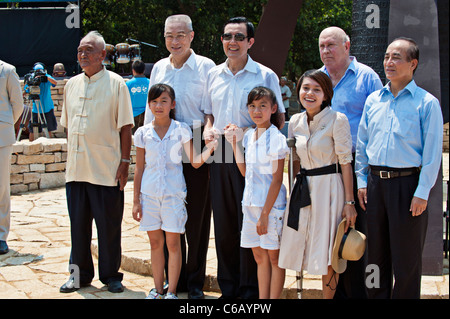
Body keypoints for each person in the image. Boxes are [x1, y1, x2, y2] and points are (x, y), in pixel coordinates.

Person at [202, 16, 286, 299]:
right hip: (221, 152)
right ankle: (229, 287)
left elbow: (279, 119)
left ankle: (251, 290)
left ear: (250, 42)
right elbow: (208, 113)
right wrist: (209, 129)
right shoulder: (213, 74)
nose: (232, 42)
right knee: (225, 224)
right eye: (227, 37)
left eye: (239, 37)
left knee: (248, 221)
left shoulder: (265, 75)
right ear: (222, 41)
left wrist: (247, 134)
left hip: (253, 155)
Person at [355, 37, 443, 299]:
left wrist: (423, 191)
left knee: (406, 261)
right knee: (374, 257)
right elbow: (363, 144)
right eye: (386, 57)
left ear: (412, 64)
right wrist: (361, 181)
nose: (388, 62)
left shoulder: (426, 103)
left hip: (407, 187)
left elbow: (432, 153)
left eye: (396, 57)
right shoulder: (373, 100)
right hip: (374, 185)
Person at [143, 14, 216, 299]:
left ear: (192, 36)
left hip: (197, 138)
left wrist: (209, 133)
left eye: (180, 35)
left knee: (196, 214)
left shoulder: (206, 66)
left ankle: (194, 281)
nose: (175, 41)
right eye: (169, 36)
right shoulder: (159, 67)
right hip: (164, 138)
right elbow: (152, 109)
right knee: (165, 212)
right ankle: (173, 282)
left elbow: (210, 108)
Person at [59, 31, 134, 294]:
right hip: (77, 170)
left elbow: (126, 127)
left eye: (89, 50)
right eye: (80, 50)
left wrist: (125, 162)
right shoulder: (71, 84)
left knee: (109, 226)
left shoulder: (116, 84)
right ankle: (78, 275)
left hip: (106, 169)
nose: (83, 54)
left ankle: (112, 275)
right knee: (78, 228)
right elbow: (68, 127)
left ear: (103, 55)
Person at [133, 83, 217, 299]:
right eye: (154, 101)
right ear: (149, 105)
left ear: (173, 104)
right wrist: (135, 201)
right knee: (155, 243)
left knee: (173, 243)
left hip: (173, 196)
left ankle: (171, 291)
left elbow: (195, 162)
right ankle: (157, 289)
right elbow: (140, 168)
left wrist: (211, 148)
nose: (158, 106)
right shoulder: (142, 133)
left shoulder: (181, 130)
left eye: (163, 101)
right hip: (149, 196)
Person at [278, 69, 357, 299]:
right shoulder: (296, 121)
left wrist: (349, 202)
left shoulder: (337, 120)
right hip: (303, 188)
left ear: (326, 94)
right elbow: (294, 160)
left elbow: (345, 162)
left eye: (316, 89)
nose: (309, 93)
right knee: (299, 243)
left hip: (329, 189)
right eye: (305, 88)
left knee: (328, 251)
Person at [318, 26, 383, 299]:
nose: (325, 51)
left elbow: (378, 125)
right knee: (330, 232)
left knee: (356, 230)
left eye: (331, 45)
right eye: (321, 46)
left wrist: (365, 172)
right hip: (324, 166)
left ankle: (358, 292)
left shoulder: (367, 78)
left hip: (357, 165)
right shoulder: (317, 78)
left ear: (347, 46)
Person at [224, 87, 288, 299]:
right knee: (259, 257)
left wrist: (264, 215)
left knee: (275, 258)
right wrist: (234, 145)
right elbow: (245, 172)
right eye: (252, 106)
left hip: (269, 207)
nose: (257, 111)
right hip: (250, 204)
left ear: (273, 108)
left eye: (262, 106)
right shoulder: (250, 135)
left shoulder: (277, 138)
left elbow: (277, 179)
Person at [0, 60, 24, 255]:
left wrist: (5, 124)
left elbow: (18, 105)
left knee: (1, 187)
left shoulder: (8, 70)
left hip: (1, 137)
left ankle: (1, 236)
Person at [25, 63, 58, 142]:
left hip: (47, 107)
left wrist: (45, 76)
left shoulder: (47, 77)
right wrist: (32, 80)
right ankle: (31, 145)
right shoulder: (32, 77)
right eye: (37, 72)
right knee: (32, 129)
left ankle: (49, 146)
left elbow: (55, 83)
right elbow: (26, 90)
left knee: (49, 128)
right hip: (36, 109)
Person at [127, 59, 149, 134]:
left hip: (133, 114)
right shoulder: (150, 82)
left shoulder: (128, 84)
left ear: (133, 70)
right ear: (144, 70)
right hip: (147, 113)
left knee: (134, 137)